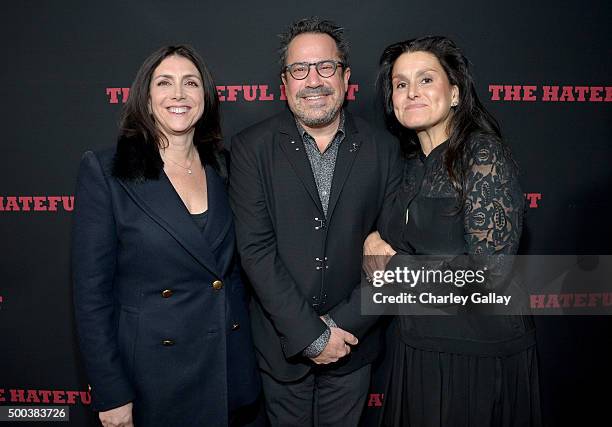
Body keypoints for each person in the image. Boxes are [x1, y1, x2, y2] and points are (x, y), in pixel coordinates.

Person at [72, 45, 260, 427]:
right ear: (146, 95)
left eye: (190, 83)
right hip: (153, 377)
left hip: (229, 368)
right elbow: (91, 295)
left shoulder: (225, 166)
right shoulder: (107, 172)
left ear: (204, 97)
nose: (178, 94)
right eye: (164, 83)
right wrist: (110, 391)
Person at [229, 17, 401, 426]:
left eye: (325, 67)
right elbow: (255, 250)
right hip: (281, 346)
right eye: (299, 70)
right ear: (284, 83)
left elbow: (397, 253)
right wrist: (310, 335)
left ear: (344, 78)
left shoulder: (385, 148)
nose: (314, 80)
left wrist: (340, 328)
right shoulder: (251, 148)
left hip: (354, 344)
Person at [366, 36, 542, 426]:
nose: (411, 92)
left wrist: (394, 266)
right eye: (400, 83)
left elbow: (489, 272)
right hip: (418, 343)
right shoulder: (410, 163)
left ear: (456, 93)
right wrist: (372, 241)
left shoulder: (482, 155)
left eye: (426, 80)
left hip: (476, 350)